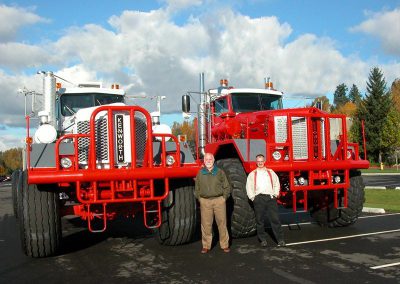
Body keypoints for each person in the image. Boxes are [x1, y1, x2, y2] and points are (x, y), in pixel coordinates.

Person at [246, 154, 285, 247]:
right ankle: (262, 239)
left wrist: (275, 194)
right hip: (258, 198)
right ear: (256, 162)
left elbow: (276, 183)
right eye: (258, 161)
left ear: (264, 161)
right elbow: (249, 187)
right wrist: (253, 198)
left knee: (275, 219)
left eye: (261, 161)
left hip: (270, 198)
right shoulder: (252, 174)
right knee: (260, 220)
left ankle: (280, 240)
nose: (260, 163)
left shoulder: (270, 172)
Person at [195, 153, 231, 254]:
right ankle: (206, 246)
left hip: (219, 200)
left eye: (210, 159)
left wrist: (224, 198)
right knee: (206, 224)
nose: (208, 161)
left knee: (222, 223)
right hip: (205, 201)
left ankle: (224, 245)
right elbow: (196, 188)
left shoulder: (219, 172)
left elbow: (226, 186)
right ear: (204, 161)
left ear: (214, 160)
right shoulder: (200, 173)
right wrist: (200, 198)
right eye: (206, 159)